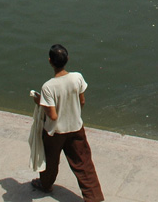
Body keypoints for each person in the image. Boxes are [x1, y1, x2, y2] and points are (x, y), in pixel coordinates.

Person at [31, 44, 105, 201]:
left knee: (50, 161)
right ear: (67, 59)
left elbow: (52, 116)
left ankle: (45, 185)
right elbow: (82, 101)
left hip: (55, 132)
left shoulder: (48, 87)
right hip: (76, 128)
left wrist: (40, 101)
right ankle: (94, 197)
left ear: (50, 61)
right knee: (83, 163)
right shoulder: (77, 77)